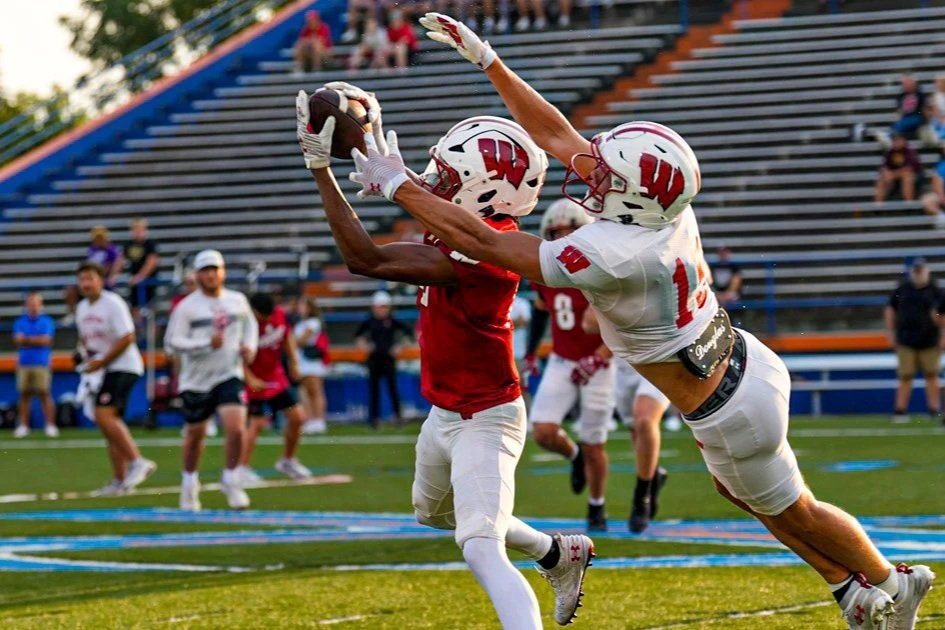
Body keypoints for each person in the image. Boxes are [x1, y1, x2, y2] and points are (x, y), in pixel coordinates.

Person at [365, 15, 938, 628]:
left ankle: (890, 582)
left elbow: (489, 243)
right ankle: (851, 590)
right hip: (736, 364)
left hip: (726, 404)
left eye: (609, 175)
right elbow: (558, 134)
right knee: (748, 494)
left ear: (633, 196)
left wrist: (400, 184)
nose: (592, 172)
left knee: (794, 509)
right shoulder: (654, 214)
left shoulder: (617, 252)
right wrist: (489, 61)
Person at [296, 86, 594, 628]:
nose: (437, 182)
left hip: (487, 416)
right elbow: (422, 211)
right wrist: (366, 148)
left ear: (484, 192)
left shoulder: (488, 252)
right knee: (432, 512)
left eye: (451, 176)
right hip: (444, 412)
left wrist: (322, 169)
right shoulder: (469, 228)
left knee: (480, 546)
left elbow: (365, 259)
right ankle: (555, 551)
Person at [525, 199, 615, 532]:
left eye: (570, 233)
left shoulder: (602, 270)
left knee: (595, 443)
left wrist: (598, 357)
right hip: (562, 360)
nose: (563, 240)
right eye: (557, 234)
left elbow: (623, 323)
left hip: (599, 363)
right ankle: (573, 456)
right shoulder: (545, 271)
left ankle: (597, 506)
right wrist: (532, 352)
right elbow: (539, 311)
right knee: (544, 432)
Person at [164, 250, 258, 511]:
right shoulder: (187, 306)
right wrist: (205, 344)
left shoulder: (237, 300)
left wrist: (249, 347)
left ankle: (230, 478)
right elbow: (173, 342)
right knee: (195, 435)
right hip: (196, 379)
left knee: (237, 427)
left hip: (229, 372)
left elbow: (250, 327)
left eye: (215, 269)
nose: (210, 274)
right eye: (205, 270)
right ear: (197, 275)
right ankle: (189, 483)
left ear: (223, 272)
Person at [583, 308, 669, 534]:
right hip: (625, 365)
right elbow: (588, 324)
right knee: (636, 432)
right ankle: (653, 475)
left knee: (644, 420)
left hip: (661, 358)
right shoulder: (612, 277)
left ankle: (642, 496)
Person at [75, 262, 156, 495]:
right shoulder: (82, 308)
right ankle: (120, 481)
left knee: (104, 414)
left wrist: (102, 361)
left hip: (123, 366)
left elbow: (127, 336)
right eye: (83, 279)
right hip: (106, 368)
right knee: (109, 424)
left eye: (90, 278)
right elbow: (87, 341)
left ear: (101, 280)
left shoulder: (113, 303)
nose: (86, 283)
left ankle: (138, 461)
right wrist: (84, 356)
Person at [238, 293, 313, 485]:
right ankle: (242, 469)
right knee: (256, 424)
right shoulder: (243, 325)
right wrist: (249, 378)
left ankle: (288, 460)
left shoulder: (278, 314)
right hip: (254, 380)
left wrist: (294, 362)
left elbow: (287, 336)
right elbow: (235, 355)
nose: (269, 319)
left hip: (275, 377)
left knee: (298, 418)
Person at [885, 258, 944, 424]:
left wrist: (943, 335)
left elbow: (942, 314)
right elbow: (890, 309)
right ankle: (900, 410)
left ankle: (934, 409)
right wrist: (890, 332)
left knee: (931, 375)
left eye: (921, 270)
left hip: (930, 340)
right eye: (916, 270)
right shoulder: (903, 289)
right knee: (905, 375)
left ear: (927, 270)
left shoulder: (936, 291)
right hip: (906, 339)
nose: (918, 273)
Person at [355, 290, 412, 428]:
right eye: (380, 306)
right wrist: (365, 346)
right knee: (373, 390)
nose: (382, 310)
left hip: (388, 360)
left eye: (384, 306)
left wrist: (399, 347)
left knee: (393, 390)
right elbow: (358, 337)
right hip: (374, 360)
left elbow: (408, 334)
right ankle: (374, 419)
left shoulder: (392, 320)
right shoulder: (369, 321)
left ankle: (397, 417)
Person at [12, 292, 57, 438]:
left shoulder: (46, 321)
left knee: (44, 393)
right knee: (24, 395)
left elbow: (46, 340)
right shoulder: (20, 321)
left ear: (40, 304)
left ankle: (50, 425)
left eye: (36, 303)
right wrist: (35, 340)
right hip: (24, 362)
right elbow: (17, 340)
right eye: (30, 303)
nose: (33, 306)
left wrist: (27, 340)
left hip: (41, 362)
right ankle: (24, 425)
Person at [294, 297, 329, 434]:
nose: (300, 308)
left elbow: (301, 341)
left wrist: (290, 343)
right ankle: (309, 420)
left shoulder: (313, 322)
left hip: (312, 361)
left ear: (309, 308)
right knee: (304, 392)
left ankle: (319, 420)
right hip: (301, 361)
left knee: (315, 391)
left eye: (302, 305)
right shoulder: (300, 323)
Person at [124, 218, 159, 319]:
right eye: (135, 229)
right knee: (135, 309)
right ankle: (140, 332)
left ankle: (151, 333)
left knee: (151, 311)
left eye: (139, 229)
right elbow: (120, 260)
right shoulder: (129, 244)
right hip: (135, 284)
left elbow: (152, 261)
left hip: (149, 282)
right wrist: (113, 275)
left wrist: (140, 277)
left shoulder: (150, 244)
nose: (137, 232)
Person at [875, 133, 921, 203]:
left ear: (904, 141)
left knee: (907, 177)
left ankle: (909, 205)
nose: (896, 142)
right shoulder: (890, 152)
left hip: (913, 176)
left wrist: (892, 174)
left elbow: (909, 169)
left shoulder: (910, 152)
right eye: (894, 140)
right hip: (894, 178)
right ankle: (878, 206)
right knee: (882, 179)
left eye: (898, 140)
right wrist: (886, 172)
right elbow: (885, 167)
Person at [294, 10, 332, 74]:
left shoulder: (324, 27)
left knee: (316, 45)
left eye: (312, 20)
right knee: (299, 46)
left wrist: (310, 42)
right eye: (309, 21)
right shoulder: (306, 29)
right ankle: (299, 68)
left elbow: (323, 42)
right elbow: (301, 41)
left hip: (325, 54)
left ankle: (316, 68)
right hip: (310, 52)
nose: (310, 22)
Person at [509, 292, 531, 404]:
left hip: (518, 351)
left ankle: (528, 412)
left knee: (521, 384)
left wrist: (503, 324)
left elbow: (524, 321)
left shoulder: (522, 303)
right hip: (502, 352)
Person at [87, 226, 123, 290]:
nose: (99, 240)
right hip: (96, 279)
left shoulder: (111, 249)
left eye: (101, 238)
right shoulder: (92, 249)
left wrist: (113, 276)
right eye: (97, 238)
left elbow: (118, 263)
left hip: (106, 280)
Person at [920, 146, 945, 228]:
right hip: (942, 195)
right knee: (927, 200)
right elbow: (937, 186)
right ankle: (942, 217)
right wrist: (942, 198)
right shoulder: (941, 166)